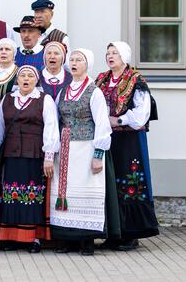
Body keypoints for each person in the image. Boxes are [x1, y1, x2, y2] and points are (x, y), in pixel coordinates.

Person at [95, 42, 159, 251]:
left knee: (130, 181)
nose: (110, 56)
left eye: (115, 53)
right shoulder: (102, 79)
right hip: (108, 138)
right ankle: (114, 232)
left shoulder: (136, 80)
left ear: (124, 56)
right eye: (108, 53)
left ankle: (132, 233)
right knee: (110, 183)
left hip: (129, 139)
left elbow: (142, 113)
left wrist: (119, 120)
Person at [48, 49, 112, 256]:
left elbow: (102, 123)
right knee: (65, 192)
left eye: (79, 60)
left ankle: (87, 241)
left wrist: (98, 155)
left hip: (86, 148)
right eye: (72, 60)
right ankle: (67, 239)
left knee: (86, 192)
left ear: (87, 65)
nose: (74, 63)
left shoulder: (95, 92)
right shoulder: (63, 90)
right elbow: (56, 119)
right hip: (66, 150)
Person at [0, 65, 58, 253]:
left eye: (30, 75)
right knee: (10, 195)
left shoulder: (44, 100)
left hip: (34, 154)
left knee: (32, 195)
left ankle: (33, 238)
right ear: (17, 80)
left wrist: (49, 156)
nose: (26, 78)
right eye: (23, 76)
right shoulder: (7, 99)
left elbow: (51, 127)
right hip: (11, 154)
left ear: (36, 80)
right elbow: (0, 128)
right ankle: (10, 237)